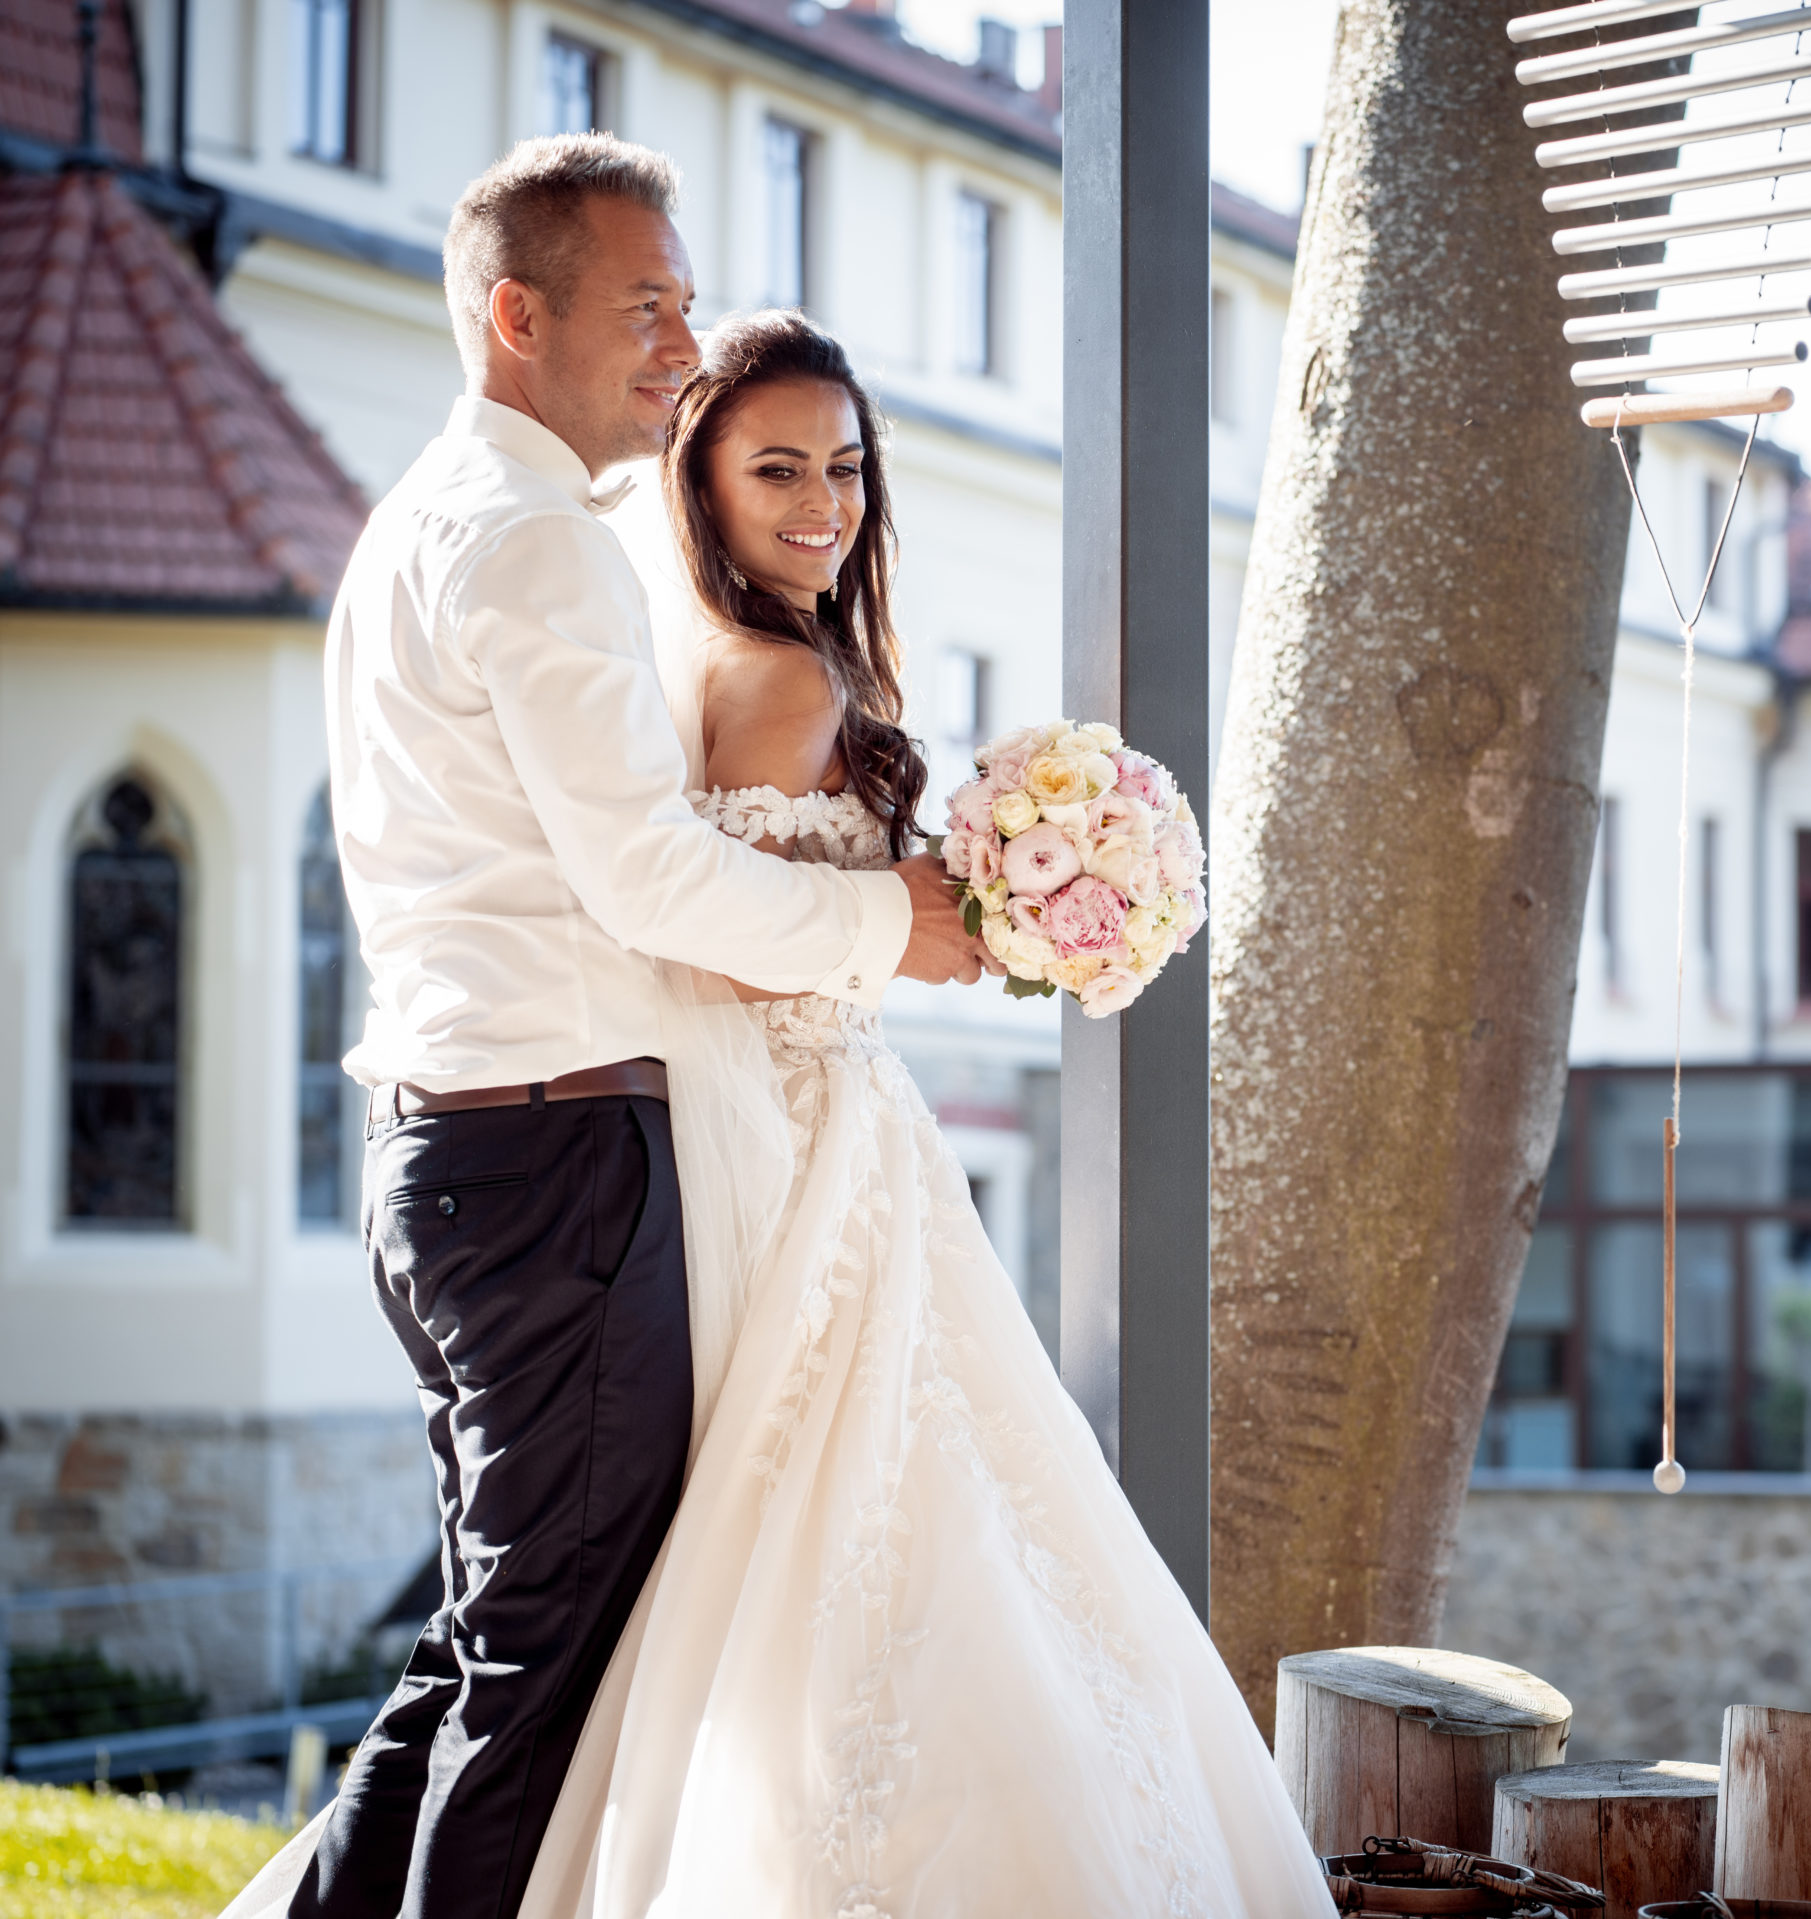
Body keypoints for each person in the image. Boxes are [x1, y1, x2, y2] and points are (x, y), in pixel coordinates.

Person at [222, 135, 986, 1919]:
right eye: (647, 307)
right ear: (515, 314)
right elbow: (647, 881)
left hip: (463, 1152)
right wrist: (895, 923)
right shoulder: (533, 545)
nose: (678, 341)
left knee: (496, 1636)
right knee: (538, 1664)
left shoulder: (422, 522)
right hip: (549, 1161)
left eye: (688, 303)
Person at [508, 308, 1334, 1916]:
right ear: (703, 485)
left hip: (829, 1123)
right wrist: (928, 921)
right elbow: (718, 942)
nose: (824, 502)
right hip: (807, 1140)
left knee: (901, 1518)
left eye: (845, 467)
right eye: (777, 470)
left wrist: (992, 911)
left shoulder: (775, 659)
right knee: (886, 1518)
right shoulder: (774, 678)